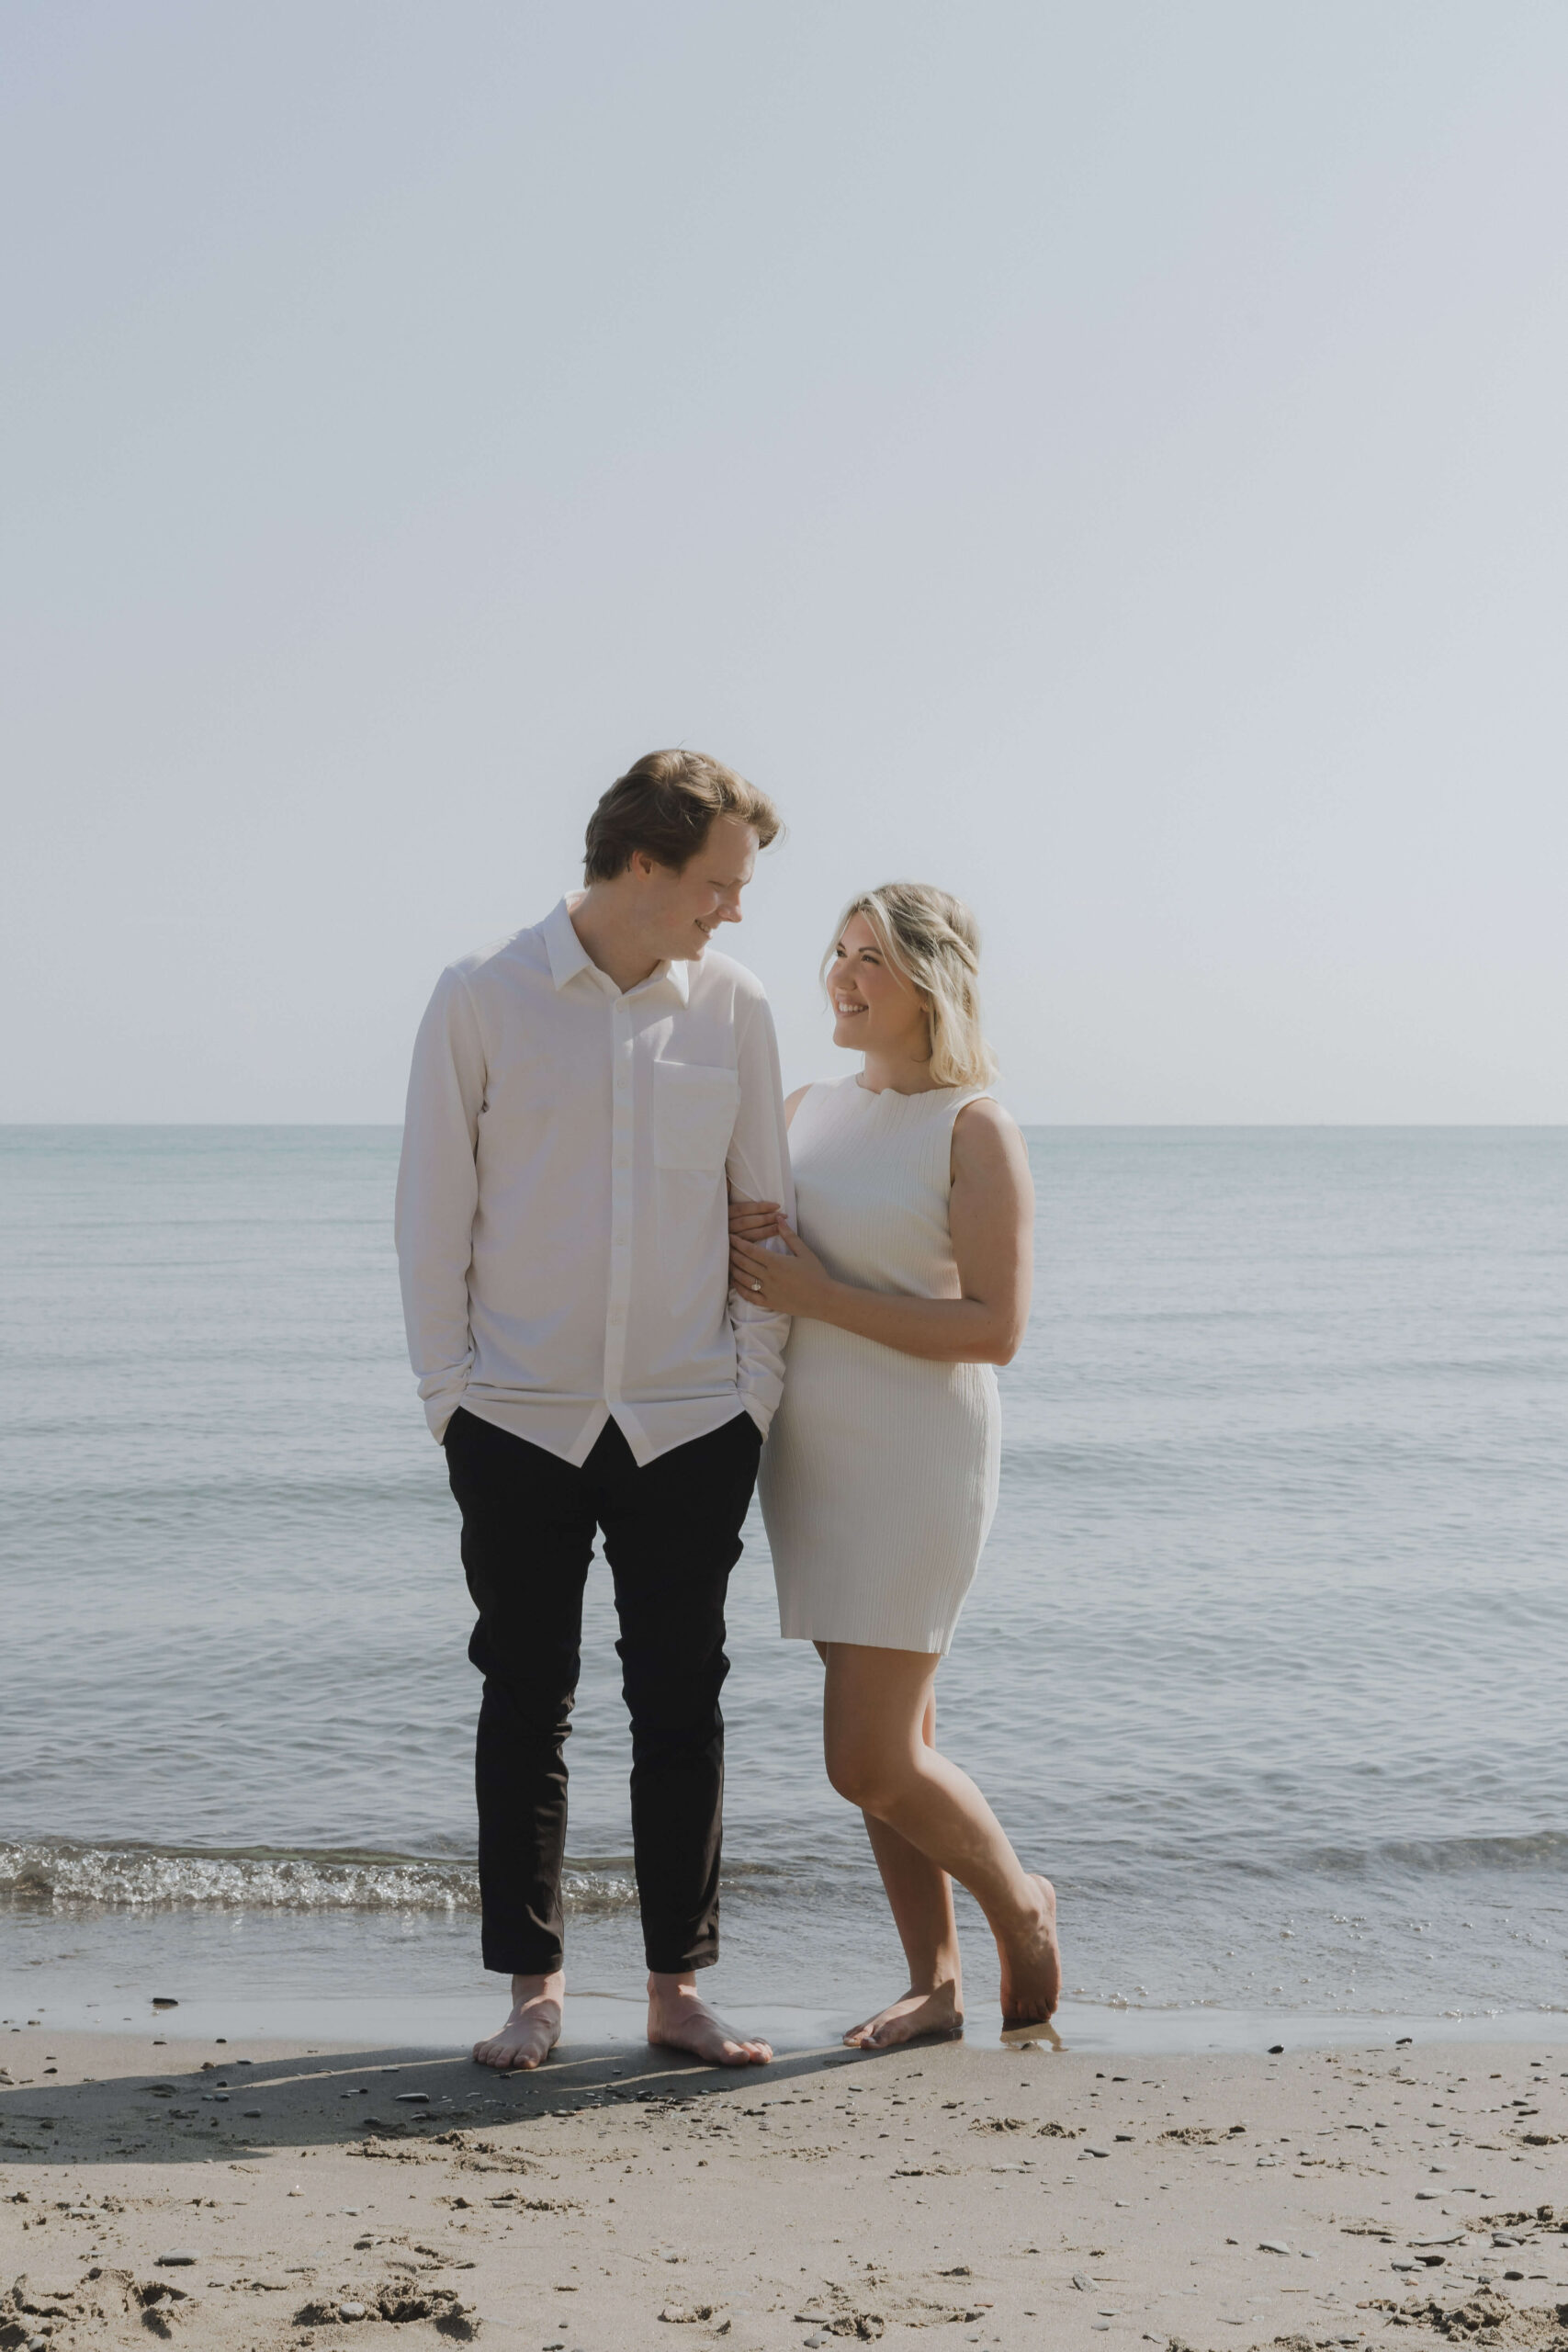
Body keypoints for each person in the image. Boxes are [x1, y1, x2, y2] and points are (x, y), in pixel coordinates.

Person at [395, 750, 793, 2072]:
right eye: (718, 883)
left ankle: (677, 1993)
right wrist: (450, 1399)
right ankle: (534, 1991)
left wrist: (753, 1390)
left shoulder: (732, 1009)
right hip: (517, 1418)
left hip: (691, 1419)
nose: (731, 909)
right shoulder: (481, 999)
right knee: (526, 1698)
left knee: (683, 1699)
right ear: (641, 864)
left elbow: (760, 1215)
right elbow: (430, 1217)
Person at [728, 882, 1059, 2050]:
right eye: (839, 950)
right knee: (896, 1749)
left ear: (931, 980)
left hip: (918, 1454)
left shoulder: (975, 1124)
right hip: (813, 1456)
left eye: (870, 957)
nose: (841, 974)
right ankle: (937, 1982)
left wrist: (819, 1294)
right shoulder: (807, 1106)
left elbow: (994, 1327)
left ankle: (1021, 1903)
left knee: (866, 1755)